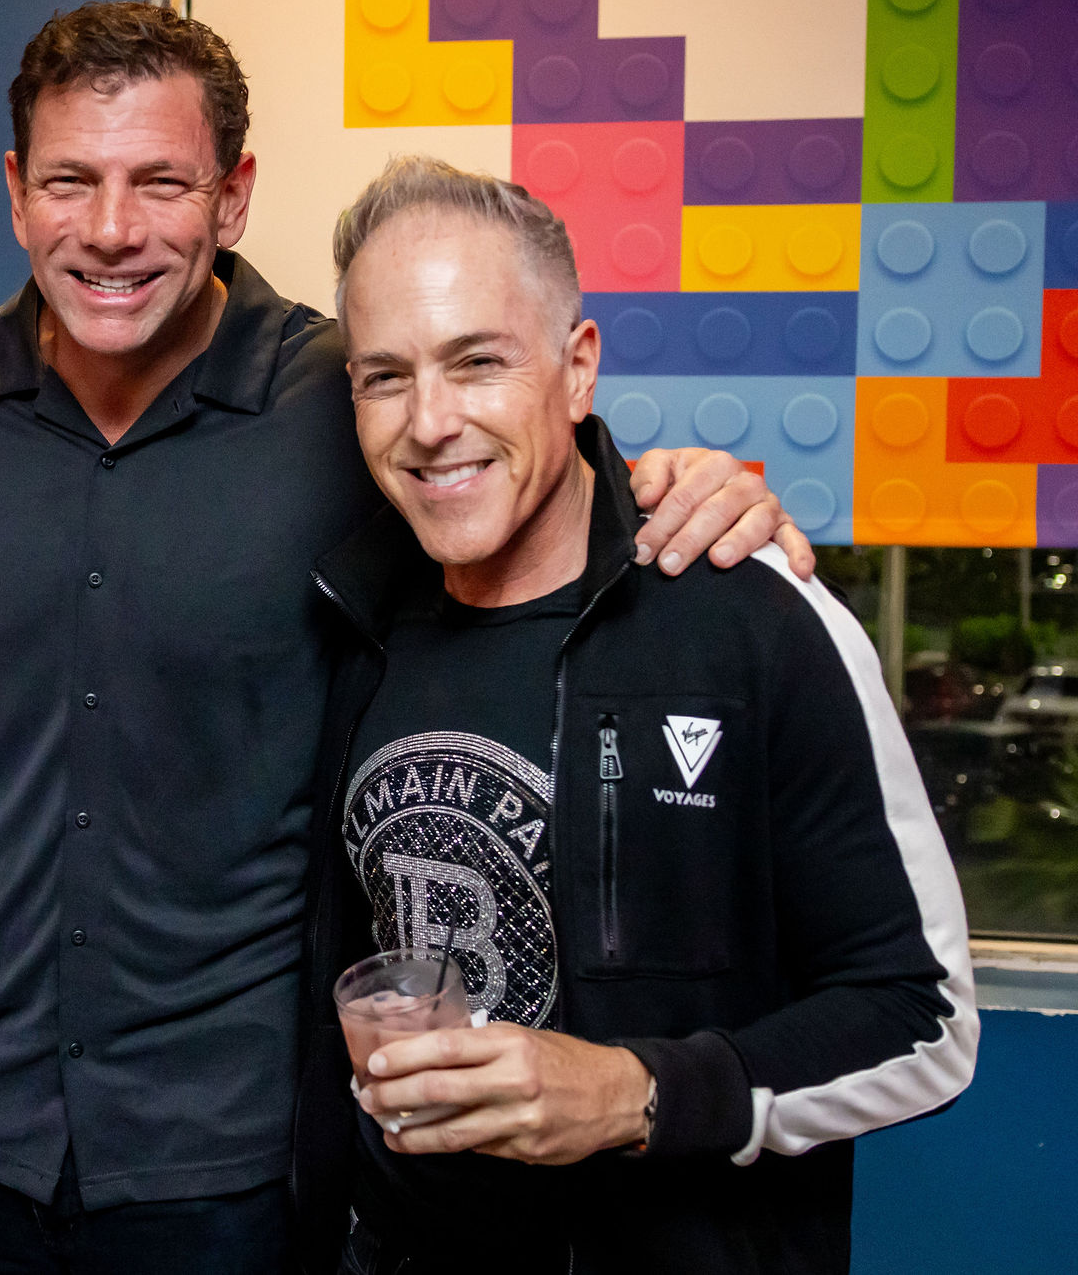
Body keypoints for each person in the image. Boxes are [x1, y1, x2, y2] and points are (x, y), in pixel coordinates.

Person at [0, 1, 813, 1274]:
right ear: (12, 191)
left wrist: (686, 488)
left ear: (233, 196)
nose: (109, 229)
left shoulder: (345, 395)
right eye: (68, 181)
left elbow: (524, 470)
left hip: (231, 1159)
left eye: (161, 182)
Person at [298, 155, 977, 1274]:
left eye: (477, 361)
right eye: (384, 377)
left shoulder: (754, 616)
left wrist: (636, 1094)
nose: (429, 421)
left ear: (576, 369)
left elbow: (924, 1020)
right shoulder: (349, 619)